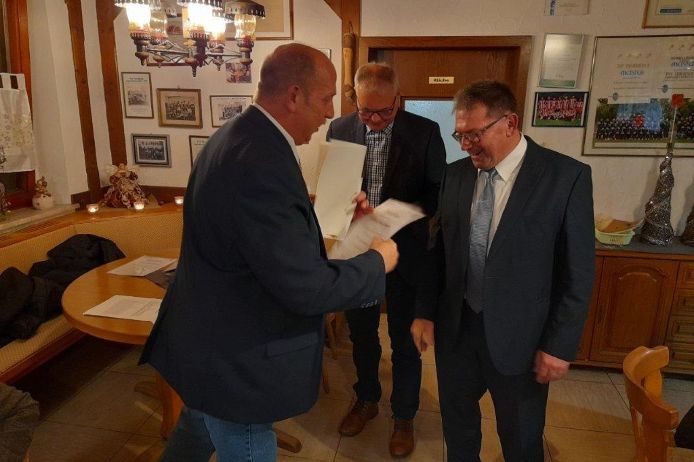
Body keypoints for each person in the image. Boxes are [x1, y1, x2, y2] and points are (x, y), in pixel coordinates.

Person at [140, 44, 399, 462]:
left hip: (208, 341)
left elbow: (262, 234)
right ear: (294, 95)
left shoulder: (238, 135)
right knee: (239, 436)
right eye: (325, 98)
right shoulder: (261, 161)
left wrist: (339, 217)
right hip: (237, 356)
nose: (330, 113)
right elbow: (307, 288)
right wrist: (378, 261)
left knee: (197, 430)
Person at [412, 80, 595, 462]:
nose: (466, 146)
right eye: (460, 136)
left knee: (521, 439)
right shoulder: (456, 175)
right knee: (458, 430)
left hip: (522, 340)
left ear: (510, 123)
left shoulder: (565, 177)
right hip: (458, 331)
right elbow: (438, 252)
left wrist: (559, 345)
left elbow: (577, 273)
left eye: (475, 134)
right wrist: (425, 311)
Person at [327, 63, 446, 457]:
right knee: (361, 335)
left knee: (404, 341)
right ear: (355, 100)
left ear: (398, 100)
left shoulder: (424, 132)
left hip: (405, 253)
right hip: (358, 253)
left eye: (384, 111)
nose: (375, 120)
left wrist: (395, 215)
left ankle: (404, 415)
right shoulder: (339, 129)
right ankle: (367, 398)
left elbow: (437, 195)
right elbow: (332, 188)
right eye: (366, 111)